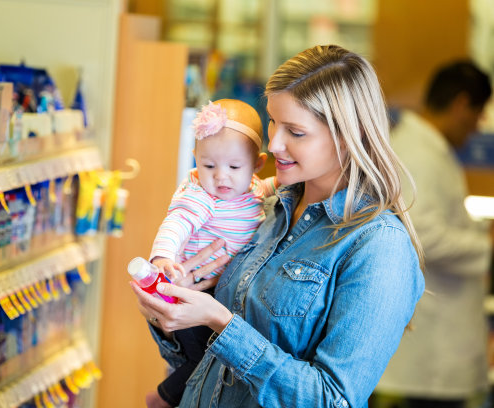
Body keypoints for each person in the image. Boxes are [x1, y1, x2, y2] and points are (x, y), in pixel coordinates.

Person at [130, 44, 426, 408]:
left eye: (295, 132)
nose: (273, 144)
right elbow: (204, 366)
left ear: (349, 137)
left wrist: (222, 322)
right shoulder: (263, 207)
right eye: (272, 121)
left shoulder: (378, 246)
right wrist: (172, 314)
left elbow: (332, 400)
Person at [374, 61, 493, 408]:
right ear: (460, 104)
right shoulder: (418, 153)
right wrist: (486, 246)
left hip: (435, 343)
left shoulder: (426, 148)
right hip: (429, 349)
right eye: (479, 111)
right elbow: (423, 234)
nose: (479, 124)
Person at [146, 99, 277, 408]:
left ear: (257, 164)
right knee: (207, 359)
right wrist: (162, 257)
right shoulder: (201, 196)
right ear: (195, 159)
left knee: (214, 357)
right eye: (208, 165)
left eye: (234, 167)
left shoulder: (252, 188)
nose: (221, 177)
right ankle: (162, 398)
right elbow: (176, 223)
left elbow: (272, 187)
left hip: (219, 295)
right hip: (194, 296)